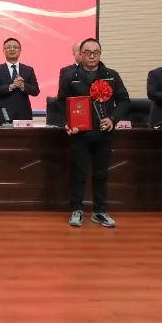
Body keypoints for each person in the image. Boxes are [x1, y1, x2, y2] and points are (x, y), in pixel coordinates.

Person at [56, 38, 130, 227]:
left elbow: (123, 101)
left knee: (101, 173)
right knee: (78, 173)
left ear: (100, 54)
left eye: (95, 52)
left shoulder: (111, 75)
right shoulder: (70, 76)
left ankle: (100, 211)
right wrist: (67, 122)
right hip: (79, 134)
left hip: (103, 133)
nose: (91, 56)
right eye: (87, 52)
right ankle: (76, 210)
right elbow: (61, 103)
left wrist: (113, 119)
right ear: (80, 55)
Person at [0, 37, 40, 123]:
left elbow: (36, 91)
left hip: (24, 113)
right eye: (9, 47)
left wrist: (23, 85)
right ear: (3, 50)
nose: (12, 49)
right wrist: (11, 86)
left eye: (15, 47)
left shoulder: (28, 70)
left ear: (20, 50)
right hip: (3, 113)